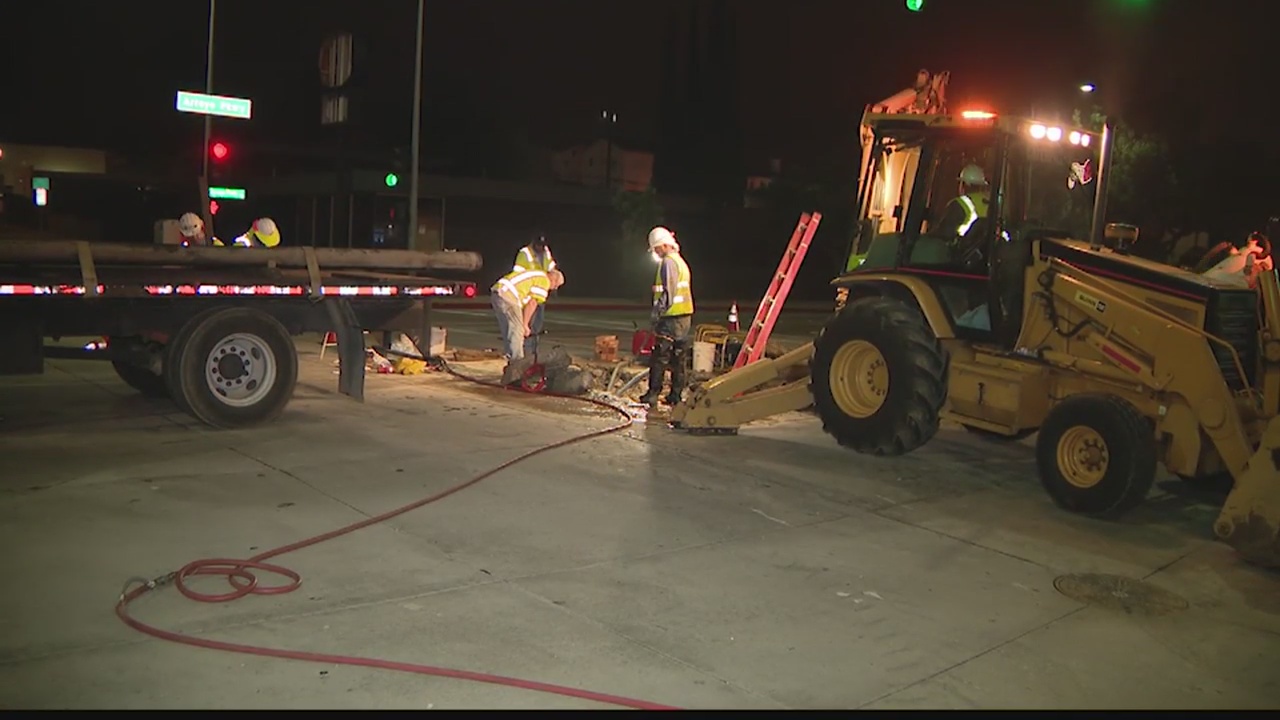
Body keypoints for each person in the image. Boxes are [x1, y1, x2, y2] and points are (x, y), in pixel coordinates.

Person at [642, 226, 695, 409]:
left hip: (670, 319)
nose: (655, 252)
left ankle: (652, 394)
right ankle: (675, 395)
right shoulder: (681, 262)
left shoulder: (668, 263)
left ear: (664, 245)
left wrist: (657, 313)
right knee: (678, 359)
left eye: (656, 248)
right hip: (684, 318)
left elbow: (668, 293)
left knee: (660, 357)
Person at [490, 266, 566, 381]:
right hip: (509, 297)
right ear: (553, 279)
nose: (554, 288)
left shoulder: (536, 275)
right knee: (517, 331)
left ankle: (511, 364)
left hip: (497, 294)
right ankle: (518, 368)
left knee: (509, 332)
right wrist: (525, 325)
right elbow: (532, 303)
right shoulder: (544, 281)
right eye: (556, 286)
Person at [511, 232, 560, 356]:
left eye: (542, 245)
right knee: (528, 322)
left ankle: (533, 350)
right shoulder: (524, 253)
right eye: (539, 245)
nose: (541, 248)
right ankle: (526, 351)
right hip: (529, 292)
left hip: (540, 289)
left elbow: (551, 268)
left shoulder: (545, 251)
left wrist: (553, 282)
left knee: (537, 323)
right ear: (533, 243)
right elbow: (518, 273)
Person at [935, 164, 991, 240]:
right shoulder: (992, 203)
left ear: (964, 184)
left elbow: (944, 234)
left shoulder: (959, 204)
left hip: (961, 250)